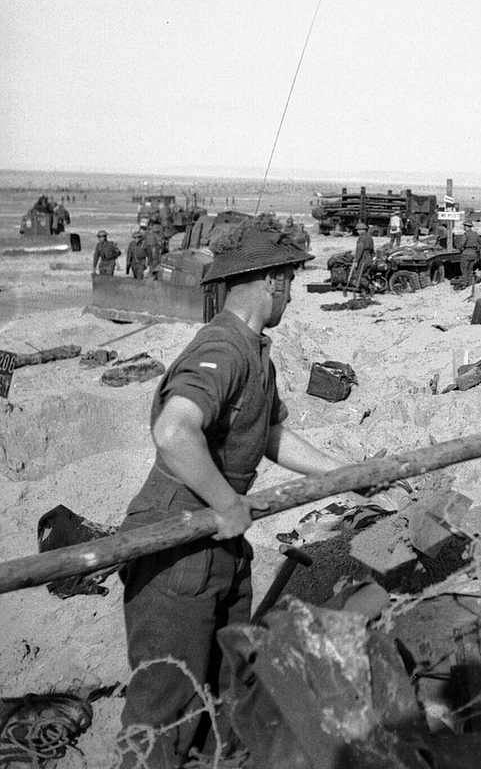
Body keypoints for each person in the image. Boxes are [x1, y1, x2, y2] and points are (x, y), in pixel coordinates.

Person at [118, 227, 341, 768]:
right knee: (165, 711)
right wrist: (226, 501)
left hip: (217, 543)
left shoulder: (253, 355)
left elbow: (271, 436)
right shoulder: (223, 346)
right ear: (270, 280)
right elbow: (174, 432)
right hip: (177, 541)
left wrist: (347, 474)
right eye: (287, 279)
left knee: (224, 692)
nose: (289, 291)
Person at [351, 222, 375, 290]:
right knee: (365, 275)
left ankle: (369, 288)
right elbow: (372, 250)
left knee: (359, 275)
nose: (357, 231)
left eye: (358, 230)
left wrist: (356, 261)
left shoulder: (361, 238)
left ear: (362, 230)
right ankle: (365, 290)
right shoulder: (370, 237)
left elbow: (359, 250)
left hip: (363, 259)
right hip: (369, 258)